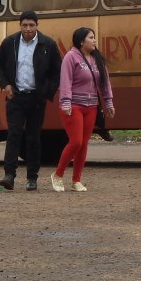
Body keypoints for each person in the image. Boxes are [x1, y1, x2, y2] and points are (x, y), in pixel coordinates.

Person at [0, 10, 62, 192]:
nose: (28, 29)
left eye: (32, 25)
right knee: (13, 135)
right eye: (25, 25)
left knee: (33, 138)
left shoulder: (47, 44)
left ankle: (32, 177)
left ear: (37, 26)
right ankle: (9, 175)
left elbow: (57, 71)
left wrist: (47, 92)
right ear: (20, 26)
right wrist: (5, 84)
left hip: (36, 99)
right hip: (15, 97)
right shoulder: (11, 42)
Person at [53, 27, 115, 192]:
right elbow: (65, 81)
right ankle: (58, 175)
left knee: (84, 144)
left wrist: (108, 102)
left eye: (94, 37)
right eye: (91, 37)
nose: (94, 40)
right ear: (81, 41)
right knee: (76, 142)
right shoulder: (70, 57)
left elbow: (104, 83)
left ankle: (76, 180)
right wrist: (65, 102)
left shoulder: (97, 59)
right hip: (73, 106)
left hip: (92, 106)